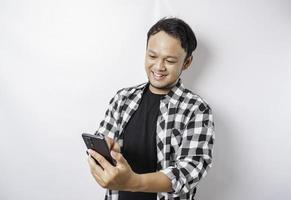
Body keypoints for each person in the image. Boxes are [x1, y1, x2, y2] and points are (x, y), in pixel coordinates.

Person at [86, 17, 215, 200]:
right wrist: (103, 149)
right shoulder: (122, 98)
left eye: (169, 60)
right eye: (152, 56)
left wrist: (133, 182)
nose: (158, 67)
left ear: (186, 63)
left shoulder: (196, 110)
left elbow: (189, 170)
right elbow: (99, 145)